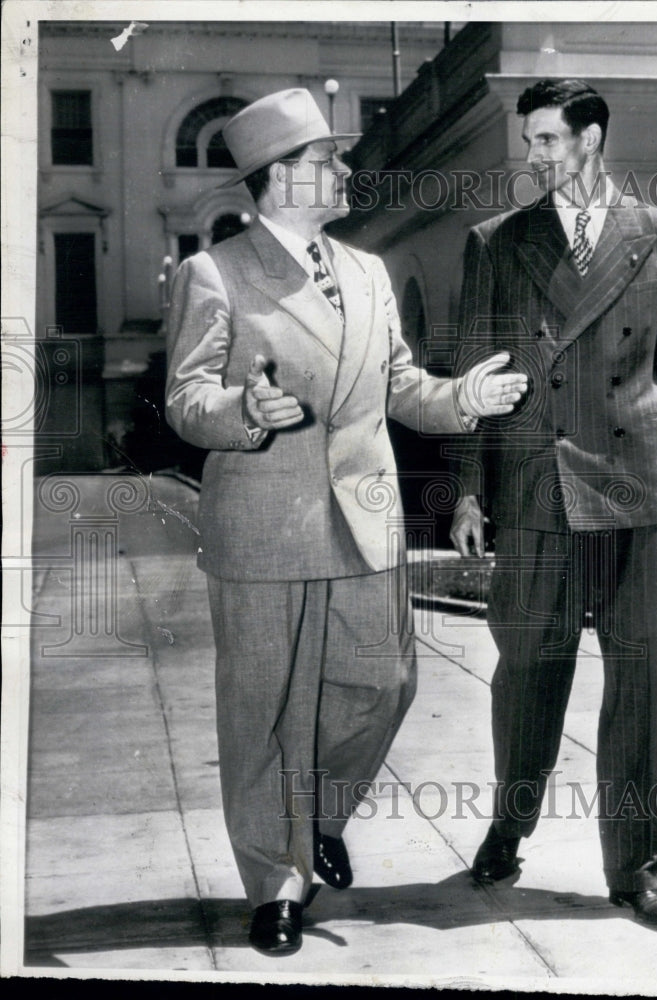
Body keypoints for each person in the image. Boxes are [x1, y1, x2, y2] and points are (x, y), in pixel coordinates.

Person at [165, 88, 527, 956]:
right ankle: (277, 882)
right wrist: (244, 411)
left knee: (385, 686)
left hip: (365, 518)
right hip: (262, 521)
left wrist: (462, 399)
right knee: (261, 712)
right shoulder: (215, 273)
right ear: (283, 178)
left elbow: (403, 386)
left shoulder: (364, 271)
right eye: (329, 160)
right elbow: (185, 398)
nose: (345, 172)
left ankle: (319, 814)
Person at [449, 78, 657, 932]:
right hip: (536, 487)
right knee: (527, 676)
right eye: (529, 141)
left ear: (591, 138)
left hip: (636, 485)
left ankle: (636, 870)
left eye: (548, 140)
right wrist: (465, 488)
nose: (534, 156)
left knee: (641, 685)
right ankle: (508, 822)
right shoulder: (497, 242)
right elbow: (471, 379)